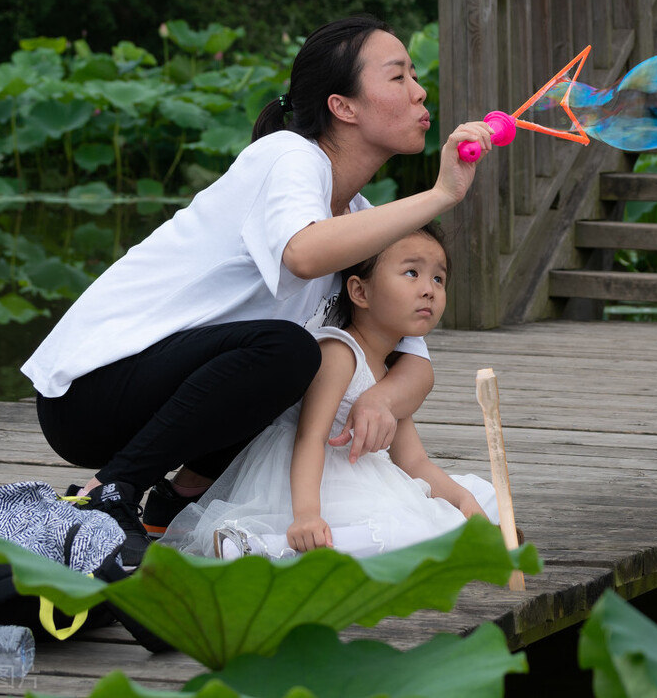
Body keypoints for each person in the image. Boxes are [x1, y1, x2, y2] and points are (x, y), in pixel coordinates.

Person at [20, 16, 496, 567]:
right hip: (91, 395)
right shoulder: (289, 158)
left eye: (415, 76)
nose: (420, 91)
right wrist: (440, 195)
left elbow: (407, 350)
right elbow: (304, 252)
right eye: (398, 77)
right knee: (289, 352)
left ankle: (179, 497)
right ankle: (110, 493)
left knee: (322, 374)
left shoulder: (359, 219)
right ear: (343, 106)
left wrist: (382, 398)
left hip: (168, 405)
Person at [161, 223, 498, 560]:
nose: (429, 290)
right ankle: (259, 545)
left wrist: (460, 499)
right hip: (311, 482)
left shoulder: (393, 373)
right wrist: (307, 514)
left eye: (438, 279)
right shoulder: (339, 352)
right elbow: (309, 438)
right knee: (412, 531)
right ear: (360, 292)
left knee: (486, 498)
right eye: (412, 273)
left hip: (365, 480)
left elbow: (414, 461)